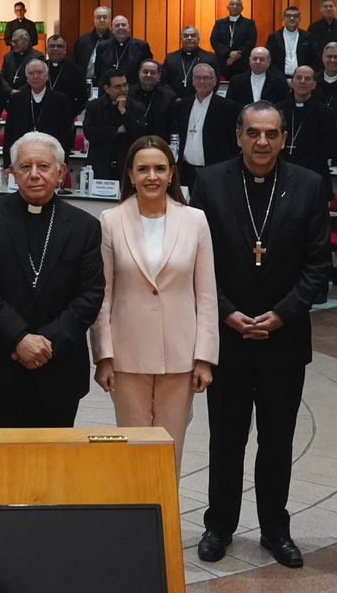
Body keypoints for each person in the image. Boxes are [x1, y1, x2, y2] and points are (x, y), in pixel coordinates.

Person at [191, 104, 330, 569]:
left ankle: (275, 528)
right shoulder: (210, 183)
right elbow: (198, 261)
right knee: (225, 438)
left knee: (277, 440)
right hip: (227, 338)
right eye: (253, 133)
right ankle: (219, 525)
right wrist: (228, 314)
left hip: (284, 339)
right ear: (238, 136)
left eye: (271, 134)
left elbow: (317, 268)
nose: (262, 142)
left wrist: (281, 314)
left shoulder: (308, 185)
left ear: (284, 138)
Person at [0, 132, 104, 427]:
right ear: (13, 173)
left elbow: (90, 294)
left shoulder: (84, 227)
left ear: (61, 173)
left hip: (60, 366)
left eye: (43, 166)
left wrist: (46, 342)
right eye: (25, 167)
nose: (35, 175)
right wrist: (19, 337)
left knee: (51, 468)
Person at [92, 135, 216, 461]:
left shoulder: (195, 221)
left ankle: (165, 513)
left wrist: (204, 356)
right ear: (130, 175)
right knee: (131, 450)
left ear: (172, 174)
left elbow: (205, 295)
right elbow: (103, 295)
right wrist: (103, 355)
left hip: (180, 355)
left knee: (169, 451)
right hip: (126, 355)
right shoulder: (111, 221)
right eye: (143, 169)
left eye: (160, 168)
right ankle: (134, 513)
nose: (152, 177)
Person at [173, 64, 238, 191]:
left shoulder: (228, 107)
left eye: (206, 78)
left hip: (214, 171)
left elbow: (234, 143)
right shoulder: (182, 105)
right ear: (193, 81)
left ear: (214, 81)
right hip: (186, 171)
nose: (202, 81)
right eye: (198, 78)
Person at [2, 58, 76, 167]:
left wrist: (62, 164)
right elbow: (9, 134)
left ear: (47, 76)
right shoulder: (17, 99)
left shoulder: (61, 100)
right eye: (31, 73)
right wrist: (7, 164)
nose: (35, 76)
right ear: (27, 78)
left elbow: (65, 135)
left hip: (49, 156)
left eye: (40, 72)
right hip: (23, 156)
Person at [83, 69, 147, 181]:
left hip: (127, 166)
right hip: (101, 164)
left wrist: (123, 111)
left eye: (125, 85)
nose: (123, 90)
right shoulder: (94, 106)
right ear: (107, 89)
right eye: (117, 87)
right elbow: (89, 132)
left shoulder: (137, 107)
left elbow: (139, 134)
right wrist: (116, 130)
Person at [282, 66, 336, 188]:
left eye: (307, 79)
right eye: (299, 77)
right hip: (282, 172)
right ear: (291, 82)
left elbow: (327, 147)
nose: (302, 81)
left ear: (314, 84)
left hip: (314, 174)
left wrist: (300, 168)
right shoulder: (278, 110)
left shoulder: (326, 113)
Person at [92, 16, 152, 90]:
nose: (120, 27)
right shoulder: (103, 46)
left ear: (129, 28)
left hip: (132, 91)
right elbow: (97, 72)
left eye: (123, 25)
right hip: (107, 92)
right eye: (117, 25)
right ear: (112, 29)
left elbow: (147, 71)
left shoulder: (141, 46)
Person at [161, 26, 217, 99]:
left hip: (200, 101)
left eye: (193, 36)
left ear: (198, 39)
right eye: (186, 36)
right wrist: (174, 98)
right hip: (175, 102)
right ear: (181, 39)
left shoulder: (210, 58)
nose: (189, 38)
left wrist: (200, 98)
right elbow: (164, 83)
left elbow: (214, 82)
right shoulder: (171, 58)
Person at [130, 59, 178, 140]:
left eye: (153, 72)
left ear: (159, 76)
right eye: (145, 71)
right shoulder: (128, 94)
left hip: (159, 143)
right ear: (139, 73)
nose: (148, 75)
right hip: (132, 143)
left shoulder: (169, 97)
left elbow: (172, 127)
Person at [211, 0, 258, 79]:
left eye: (238, 5)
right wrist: (228, 53)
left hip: (242, 64)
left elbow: (251, 41)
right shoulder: (219, 23)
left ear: (242, 8)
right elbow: (214, 41)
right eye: (232, 4)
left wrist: (237, 54)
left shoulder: (249, 23)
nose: (235, 6)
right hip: (223, 62)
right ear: (228, 7)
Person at [265, 6, 318, 77]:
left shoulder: (308, 37)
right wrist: (280, 77)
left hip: (303, 78)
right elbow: (269, 60)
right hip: (279, 78)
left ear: (300, 19)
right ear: (283, 18)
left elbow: (314, 59)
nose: (292, 18)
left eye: (295, 16)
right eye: (288, 16)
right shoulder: (274, 37)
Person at [43, 35, 88, 107]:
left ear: (65, 50)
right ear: (47, 49)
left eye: (59, 46)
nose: (55, 49)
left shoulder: (76, 70)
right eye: (52, 46)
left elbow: (82, 98)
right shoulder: (39, 68)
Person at [77, 6, 114, 87]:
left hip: (108, 85)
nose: (102, 20)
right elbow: (76, 64)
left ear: (109, 20)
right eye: (98, 17)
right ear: (94, 20)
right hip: (84, 83)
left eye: (105, 17)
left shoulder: (115, 41)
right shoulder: (83, 41)